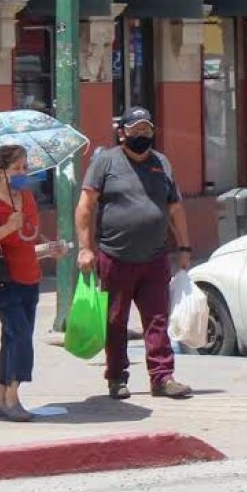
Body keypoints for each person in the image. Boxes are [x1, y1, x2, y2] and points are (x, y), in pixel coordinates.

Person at [75, 106, 193, 400]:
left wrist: (185, 248)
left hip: (155, 258)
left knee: (157, 320)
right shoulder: (106, 162)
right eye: (135, 129)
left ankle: (162, 377)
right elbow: (86, 205)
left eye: (146, 129)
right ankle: (116, 378)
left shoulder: (161, 163)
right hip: (115, 257)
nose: (141, 134)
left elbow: (175, 208)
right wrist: (85, 248)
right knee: (115, 322)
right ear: (122, 132)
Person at [0, 145, 68, 422]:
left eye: (26, 167)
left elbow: (29, 239)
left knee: (11, 337)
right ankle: (13, 398)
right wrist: (7, 227)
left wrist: (50, 248)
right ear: (1, 172)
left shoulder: (27, 198)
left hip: (29, 278)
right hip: (3, 281)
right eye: (17, 169)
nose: (23, 173)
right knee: (21, 336)